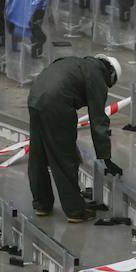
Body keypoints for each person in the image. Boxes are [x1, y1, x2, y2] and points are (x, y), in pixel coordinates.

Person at [26, 54, 124, 223]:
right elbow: (98, 120)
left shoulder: (77, 63)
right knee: (65, 157)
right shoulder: (97, 75)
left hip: (35, 98)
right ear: (111, 75)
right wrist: (105, 157)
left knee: (38, 154)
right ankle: (75, 211)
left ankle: (42, 204)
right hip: (56, 103)